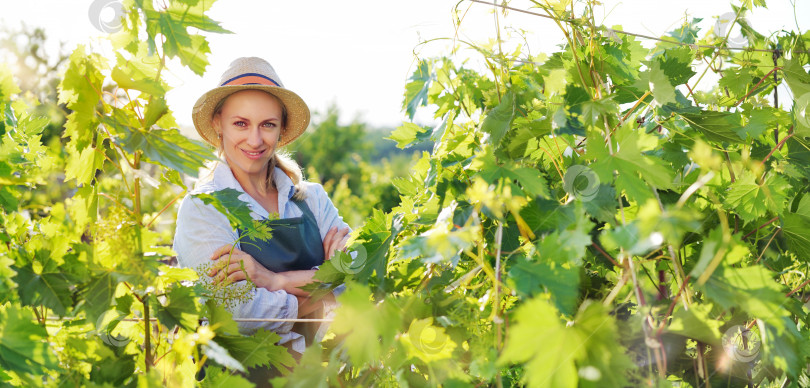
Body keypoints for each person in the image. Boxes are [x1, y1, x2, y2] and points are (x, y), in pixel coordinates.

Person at [173, 57, 351, 356]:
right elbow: (238, 313)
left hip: (324, 374)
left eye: (267, 125)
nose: (255, 140)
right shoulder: (203, 208)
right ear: (218, 123)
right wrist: (328, 283)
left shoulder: (313, 199)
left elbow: (358, 270)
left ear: (281, 130)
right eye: (240, 123)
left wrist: (275, 280)